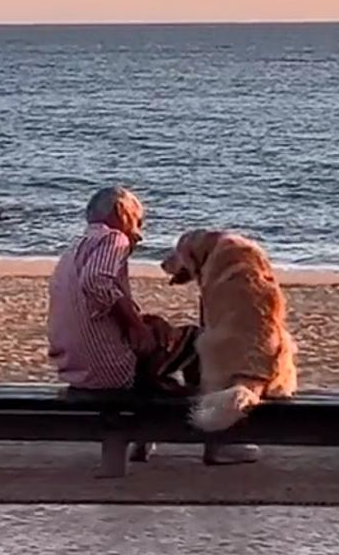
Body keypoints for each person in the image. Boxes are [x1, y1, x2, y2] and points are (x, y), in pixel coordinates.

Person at [46, 186, 258, 466]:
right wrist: (134, 325)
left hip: (76, 368)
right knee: (200, 342)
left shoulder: (76, 248)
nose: (140, 232)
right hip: (109, 369)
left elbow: (92, 296)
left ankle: (143, 438)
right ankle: (217, 443)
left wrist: (139, 322)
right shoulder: (114, 238)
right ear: (121, 213)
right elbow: (97, 282)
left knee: (162, 356)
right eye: (138, 220)